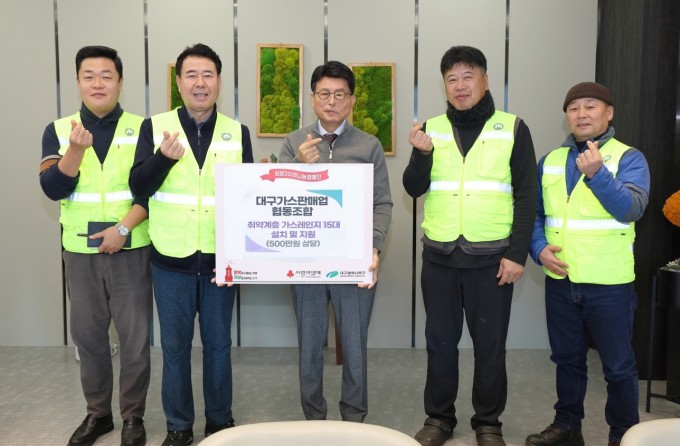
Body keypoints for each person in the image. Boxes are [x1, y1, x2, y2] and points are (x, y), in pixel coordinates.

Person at [403, 46, 537, 446]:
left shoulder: (512, 128)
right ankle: (439, 418)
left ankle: (488, 422)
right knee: (440, 343)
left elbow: (527, 195)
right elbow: (413, 187)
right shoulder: (431, 129)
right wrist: (422, 155)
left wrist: (516, 254)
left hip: (492, 260)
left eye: (468, 76)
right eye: (452, 79)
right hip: (440, 257)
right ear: (444, 85)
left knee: (490, 347)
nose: (460, 86)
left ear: (485, 80)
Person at [129, 43, 253, 446]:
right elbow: (138, 186)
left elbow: (249, 199)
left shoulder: (237, 132)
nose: (200, 83)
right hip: (171, 260)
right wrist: (163, 159)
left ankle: (219, 422)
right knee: (175, 349)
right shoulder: (155, 127)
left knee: (219, 346)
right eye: (192, 75)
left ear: (219, 81)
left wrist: (240, 258)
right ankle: (179, 426)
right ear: (179, 82)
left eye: (208, 75)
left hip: (221, 261)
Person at [525, 82, 650, 446]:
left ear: (608, 113)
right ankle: (567, 427)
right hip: (561, 279)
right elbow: (534, 214)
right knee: (566, 360)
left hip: (609, 283)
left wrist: (598, 174)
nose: (581, 114)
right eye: (573, 108)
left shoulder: (629, 158)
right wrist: (538, 248)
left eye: (590, 106)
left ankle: (623, 435)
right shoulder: (549, 161)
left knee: (618, 367)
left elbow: (631, 209)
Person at [39, 45, 152, 446]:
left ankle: (133, 417)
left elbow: (151, 190)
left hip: (131, 247)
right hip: (80, 252)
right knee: (89, 339)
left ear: (120, 82)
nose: (98, 83)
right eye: (89, 76)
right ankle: (98, 415)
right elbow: (52, 188)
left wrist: (121, 230)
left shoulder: (143, 128)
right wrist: (75, 150)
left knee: (135, 340)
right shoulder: (58, 130)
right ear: (77, 81)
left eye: (107, 75)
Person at [278, 60, 393, 422]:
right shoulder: (294, 142)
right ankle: (314, 419)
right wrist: (298, 165)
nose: (331, 101)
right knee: (309, 345)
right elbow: (277, 202)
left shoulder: (369, 145)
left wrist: (373, 247)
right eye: (324, 93)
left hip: (354, 260)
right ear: (312, 98)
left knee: (355, 346)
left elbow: (382, 202)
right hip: (307, 261)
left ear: (352, 100)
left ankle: (354, 419)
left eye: (340, 94)